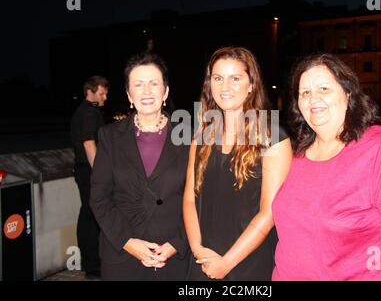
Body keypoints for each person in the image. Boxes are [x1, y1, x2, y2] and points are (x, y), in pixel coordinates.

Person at [272, 53, 381, 281]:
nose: (313, 99)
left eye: (323, 89)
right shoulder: (297, 156)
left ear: (347, 92)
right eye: (305, 93)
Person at [183, 47, 292, 280]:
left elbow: (269, 213)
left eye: (235, 78)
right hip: (203, 261)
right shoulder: (201, 136)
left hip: (249, 264)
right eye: (218, 78)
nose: (225, 87)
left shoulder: (273, 138)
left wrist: (226, 263)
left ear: (251, 84)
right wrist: (198, 250)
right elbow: (189, 200)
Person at [90, 52, 190, 280]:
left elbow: (200, 197)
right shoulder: (110, 136)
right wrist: (127, 242)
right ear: (129, 94)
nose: (146, 91)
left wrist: (177, 243)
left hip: (174, 259)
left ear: (165, 92)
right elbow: (99, 198)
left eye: (154, 83)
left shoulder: (189, 136)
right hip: (123, 257)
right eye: (138, 84)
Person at [70, 75, 109, 278]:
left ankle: (91, 265)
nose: (105, 97)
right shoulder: (91, 112)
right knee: (92, 217)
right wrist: (99, 172)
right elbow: (88, 142)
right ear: (90, 91)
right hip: (88, 171)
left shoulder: (81, 111)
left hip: (83, 170)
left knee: (88, 215)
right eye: (102, 93)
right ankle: (93, 267)